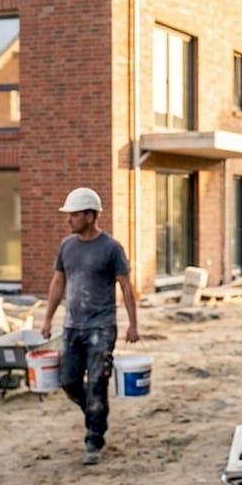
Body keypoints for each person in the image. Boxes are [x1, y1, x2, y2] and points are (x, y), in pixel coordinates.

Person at [41, 187, 140, 465]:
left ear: (90, 215)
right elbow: (58, 282)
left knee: (97, 383)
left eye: (73, 215)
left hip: (102, 326)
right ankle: (95, 416)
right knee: (69, 381)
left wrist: (133, 325)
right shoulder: (66, 246)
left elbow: (126, 287)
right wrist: (48, 318)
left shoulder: (111, 248)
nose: (68, 220)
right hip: (72, 326)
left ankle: (94, 438)